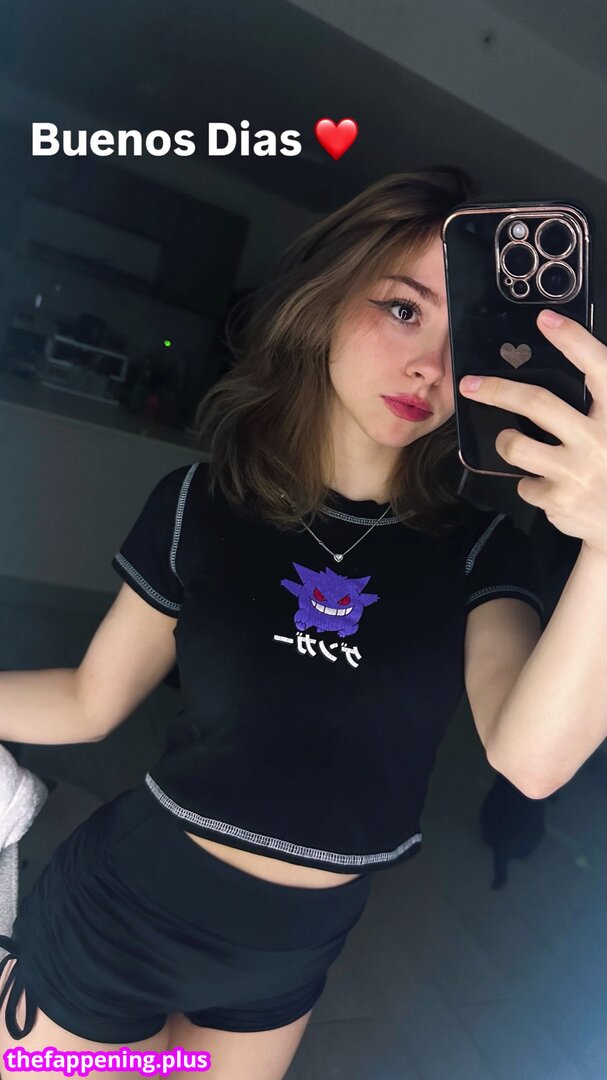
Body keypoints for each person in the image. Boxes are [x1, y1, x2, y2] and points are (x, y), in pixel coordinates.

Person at [0, 166, 548, 1079]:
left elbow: (528, 757)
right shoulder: (200, 501)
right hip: (123, 915)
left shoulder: (480, 550)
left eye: (469, 339)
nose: (432, 367)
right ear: (326, 303)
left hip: (288, 959)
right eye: (404, 310)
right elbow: (90, 701)